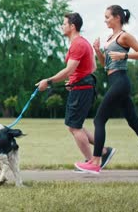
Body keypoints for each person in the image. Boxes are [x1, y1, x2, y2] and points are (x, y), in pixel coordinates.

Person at [74, 5, 138, 176]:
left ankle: (95, 161)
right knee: (134, 123)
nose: (105, 20)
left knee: (99, 120)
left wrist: (125, 56)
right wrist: (97, 51)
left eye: (107, 17)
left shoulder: (124, 36)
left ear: (117, 17)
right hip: (115, 81)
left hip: (121, 82)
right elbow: (106, 66)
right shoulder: (110, 38)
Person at [36, 12, 116, 172]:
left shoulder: (77, 44)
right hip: (81, 87)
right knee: (75, 125)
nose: (62, 26)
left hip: (82, 89)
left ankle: (92, 162)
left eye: (64, 24)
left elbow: (68, 70)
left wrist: (48, 81)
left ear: (72, 26)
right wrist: (74, 80)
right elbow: (91, 67)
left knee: (74, 127)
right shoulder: (82, 43)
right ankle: (104, 151)